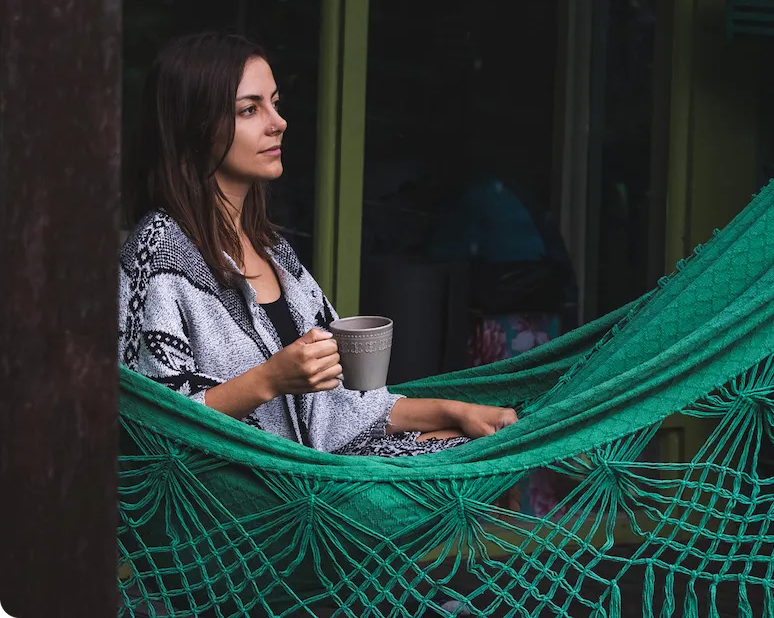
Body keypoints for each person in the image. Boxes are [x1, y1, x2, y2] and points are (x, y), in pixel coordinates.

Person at [119, 32, 517, 456]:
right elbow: (152, 421)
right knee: (448, 474)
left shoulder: (273, 251)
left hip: (316, 482)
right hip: (244, 503)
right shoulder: (158, 253)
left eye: (275, 102)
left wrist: (455, 411)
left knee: (481, 446)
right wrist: (269, 380)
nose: (278, 122)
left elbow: (347, 408)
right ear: (194, 129)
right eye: (250, 109)